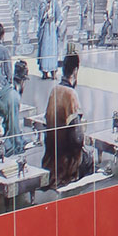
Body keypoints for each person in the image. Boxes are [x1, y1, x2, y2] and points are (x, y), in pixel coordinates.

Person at [43, 52, 94, 188]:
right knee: (89, 158)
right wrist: (84, 138)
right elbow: (76, 139)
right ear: (75, 71)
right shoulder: (71, 95)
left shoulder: (54, 90)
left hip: (49, 158)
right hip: (65, 160)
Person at [36, 0, 63, 80]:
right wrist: (44, 14)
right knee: (45, 50)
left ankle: (53, 71)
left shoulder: (55, 4)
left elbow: (59, 16)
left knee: (53, 50)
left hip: (52, 29)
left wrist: (57, 24)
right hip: (45, 29)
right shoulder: (42, 4)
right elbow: (39, 17)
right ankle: (44, 72)